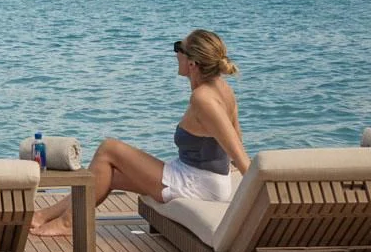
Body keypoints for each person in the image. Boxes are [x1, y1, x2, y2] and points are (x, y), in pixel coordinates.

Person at [31, 29, 249, 237]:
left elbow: (238, 153)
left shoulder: (203, 99)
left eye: (178, 48)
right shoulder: (222, 88)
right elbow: (237, 136)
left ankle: (68, 223)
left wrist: (257, 198)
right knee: (108, 175)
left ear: (192, 63)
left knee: (108, 148)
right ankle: (45, 214)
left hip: (199, 184)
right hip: (196, 175)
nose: (175, 53)